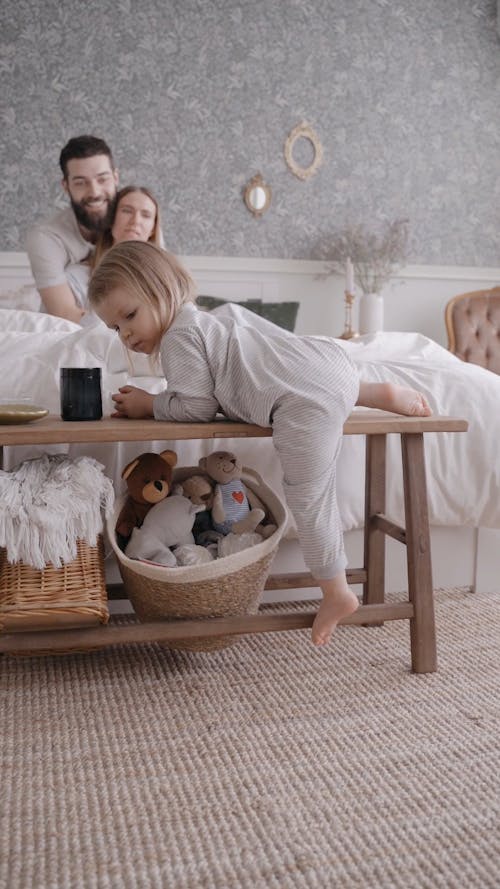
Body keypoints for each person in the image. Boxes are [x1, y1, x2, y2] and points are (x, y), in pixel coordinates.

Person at [88, 241, 431, 648]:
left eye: (130, 316)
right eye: (115, 328)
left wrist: (150, 405)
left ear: (162, 290)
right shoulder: (204, 323)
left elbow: (197, 406)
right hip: (328, 362)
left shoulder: (179, 338)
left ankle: (336, 590)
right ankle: (373, 392)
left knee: (309, 494)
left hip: (301, 402)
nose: (126, 334)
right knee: (317, 382)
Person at [26, 134, 119, 323]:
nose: (94, 192)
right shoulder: (46, 237)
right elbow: (65, 314)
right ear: (66, 186)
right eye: (80, 182)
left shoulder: (137, 220)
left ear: (116, 178)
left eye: (102, 179)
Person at [65, 185, 163, 321]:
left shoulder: (163, 282)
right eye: (127, 211)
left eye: (146, 215)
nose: (135, 221)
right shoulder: (75, 278)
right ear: (111, 219)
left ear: (153, 229)